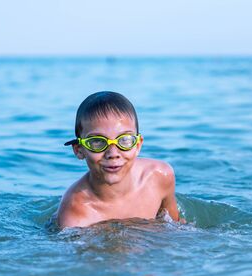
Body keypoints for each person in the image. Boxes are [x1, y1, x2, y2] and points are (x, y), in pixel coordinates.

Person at [57, 91, 181, 229]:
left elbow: (176, 227)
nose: (113, 153)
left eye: (124, 140)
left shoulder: (160, 177)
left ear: (138, 145)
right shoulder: (75, 216)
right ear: (79, 150)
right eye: (98, 142)